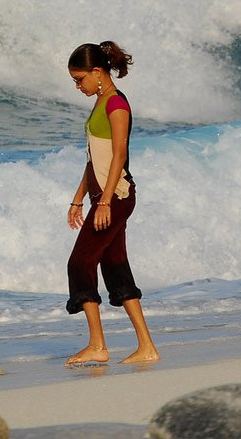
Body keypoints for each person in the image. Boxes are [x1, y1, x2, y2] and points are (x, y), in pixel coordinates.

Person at [64, 41, 160, 365]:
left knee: (80, 263)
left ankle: (97, 345)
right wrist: (78, 200)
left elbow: (119, 156)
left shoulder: (116, 104)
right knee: (115, 266)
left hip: (116, 197)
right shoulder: (99, 103)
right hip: (103, 198)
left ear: (97, 71)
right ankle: (146, 346)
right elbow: (94, 161)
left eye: (80, 79)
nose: (78, 86)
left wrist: (103, 202)